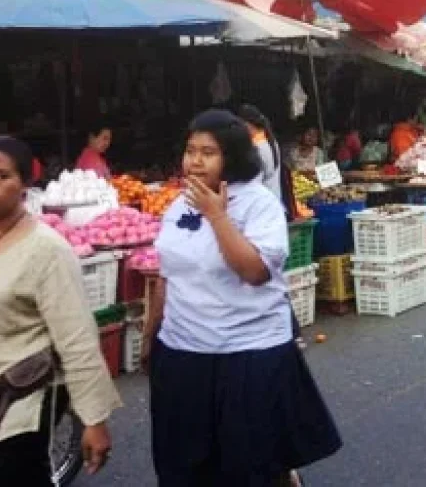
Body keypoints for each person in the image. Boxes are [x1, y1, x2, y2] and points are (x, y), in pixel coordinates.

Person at [144, 110, 341, 486]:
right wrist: (153, 331)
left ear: (231, 157)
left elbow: (254, 272)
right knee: (185, 463)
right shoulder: (179, 204)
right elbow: (167, 272)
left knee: (249, 465)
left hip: (249, 354)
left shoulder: (258, 204)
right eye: (190, 151)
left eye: (208, 152)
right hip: (185, 352)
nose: (195, 161)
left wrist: (217, 216)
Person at [0, 136, 119, 486]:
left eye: (1, 176)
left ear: (26, 184)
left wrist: (94, 419)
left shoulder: (47, 251)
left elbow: (77, 339)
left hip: (20, 403)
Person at [239, 105, 283, 199]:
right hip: (274, 198)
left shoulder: (257, 148)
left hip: (263, 203)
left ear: (247, 124)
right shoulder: (272, 141)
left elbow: (255, 182)